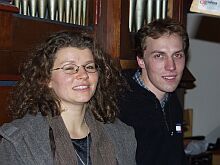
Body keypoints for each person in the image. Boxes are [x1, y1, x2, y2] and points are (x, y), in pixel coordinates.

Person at [0, 31, 137, 165]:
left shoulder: (122, 135)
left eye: (89, 67)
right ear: (46, 79)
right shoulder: (19, 141)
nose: (83, 74)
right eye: (70, 68)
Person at [118, 18, 189, 165]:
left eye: (177, 55)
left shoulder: (172, 101)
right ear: (141, 60)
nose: (171, 67)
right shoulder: (119, 106)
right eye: (159, 56)